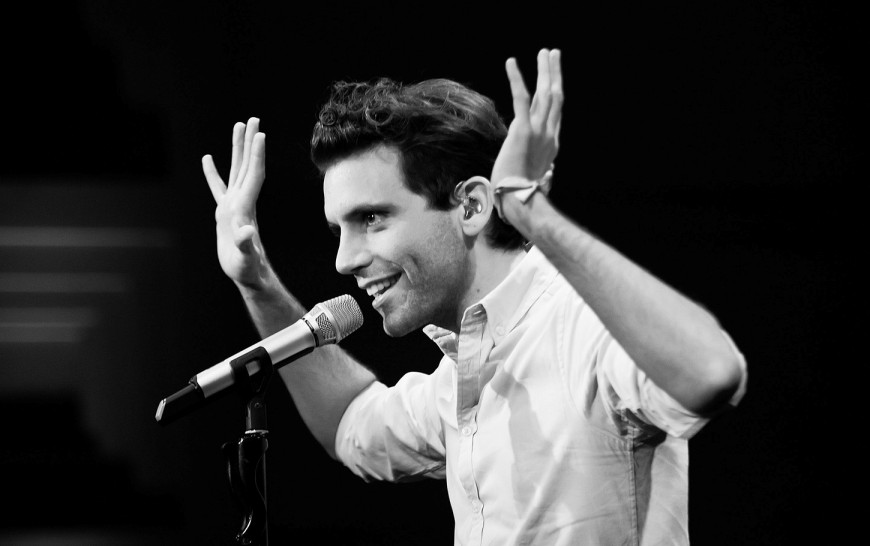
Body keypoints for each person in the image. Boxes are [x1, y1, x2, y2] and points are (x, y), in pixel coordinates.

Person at [201, 48, 747, 545]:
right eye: (337, 230)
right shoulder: (460, 373)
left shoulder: (581, 327)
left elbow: (712, 372)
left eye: (372, 218)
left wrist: (531, 213)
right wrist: (256, 280)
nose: (344, 260)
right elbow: (352, 424)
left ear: (471, 207)